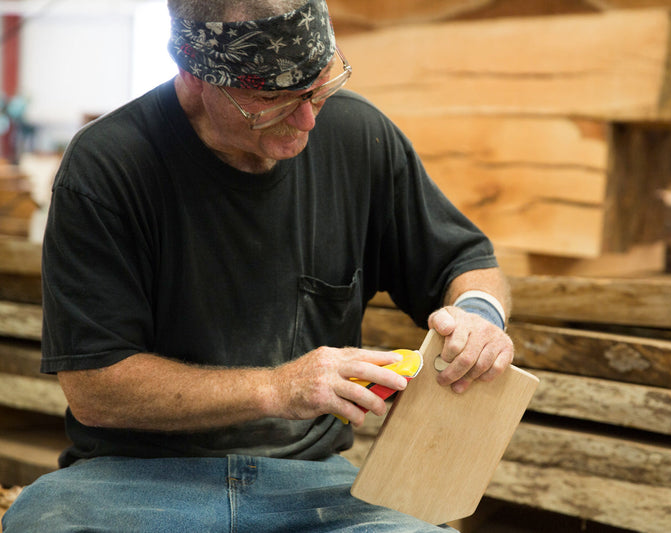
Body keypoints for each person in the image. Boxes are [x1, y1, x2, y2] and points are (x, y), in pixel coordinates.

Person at [2, 0, 514, 531]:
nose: (307, 118)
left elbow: (465, 261)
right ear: (193, 74)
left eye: (318, 86)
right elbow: (95, 389)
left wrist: (480, 315)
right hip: (132, 482)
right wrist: (280, 389)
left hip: (316, 487)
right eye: (271, 99)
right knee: (46, 523)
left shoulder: (359, 136)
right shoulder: (107, 165)